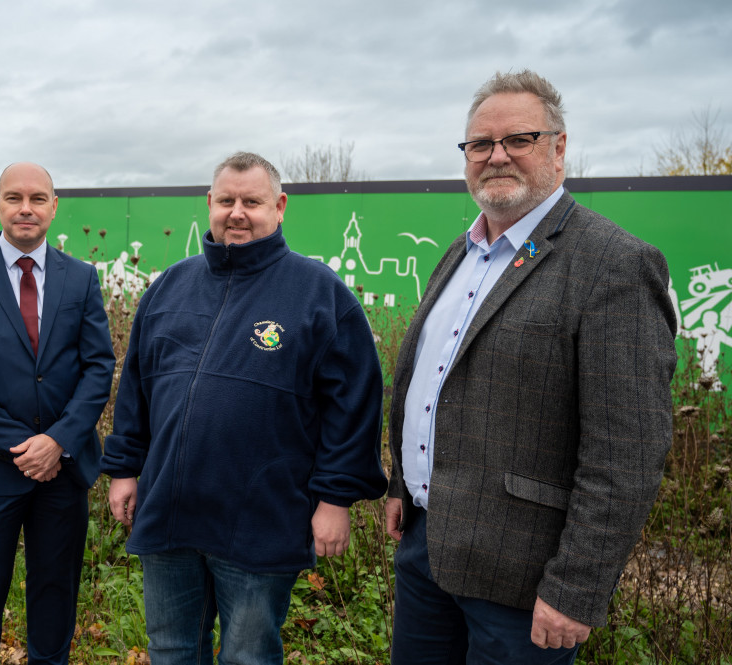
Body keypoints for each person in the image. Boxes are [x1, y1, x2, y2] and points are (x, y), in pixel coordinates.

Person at [385, 70, 677, 664]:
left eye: (518, 139)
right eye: (480, 145)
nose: (496, 156)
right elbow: (432, 381)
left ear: (559, 147)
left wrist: (577, 588)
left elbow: (628, 451)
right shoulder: (460, 254)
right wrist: (401, 484)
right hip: (425, 549)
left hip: (523, 579)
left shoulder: (614, 265)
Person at [102, 152, 387, 665]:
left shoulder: (319, 295)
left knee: (247, 656)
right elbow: (136, 391)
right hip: (170, 511)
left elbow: (355, 404)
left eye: (251, 202)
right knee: (170, 651)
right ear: (208, 204)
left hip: (261, 520)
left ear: (278, 207)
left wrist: (335, 498)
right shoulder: (169, 288)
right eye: (226, 200)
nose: (237, 212)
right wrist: (124, 468)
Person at [0, 162, 115, 664]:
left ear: (54, 207)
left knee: (55, 597)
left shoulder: (80, 278)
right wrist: (25, 448)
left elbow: (98, 367)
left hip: (63, 472)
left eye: (38, 198)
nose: (26, 208)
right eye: (14, 197)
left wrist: (58, 441)